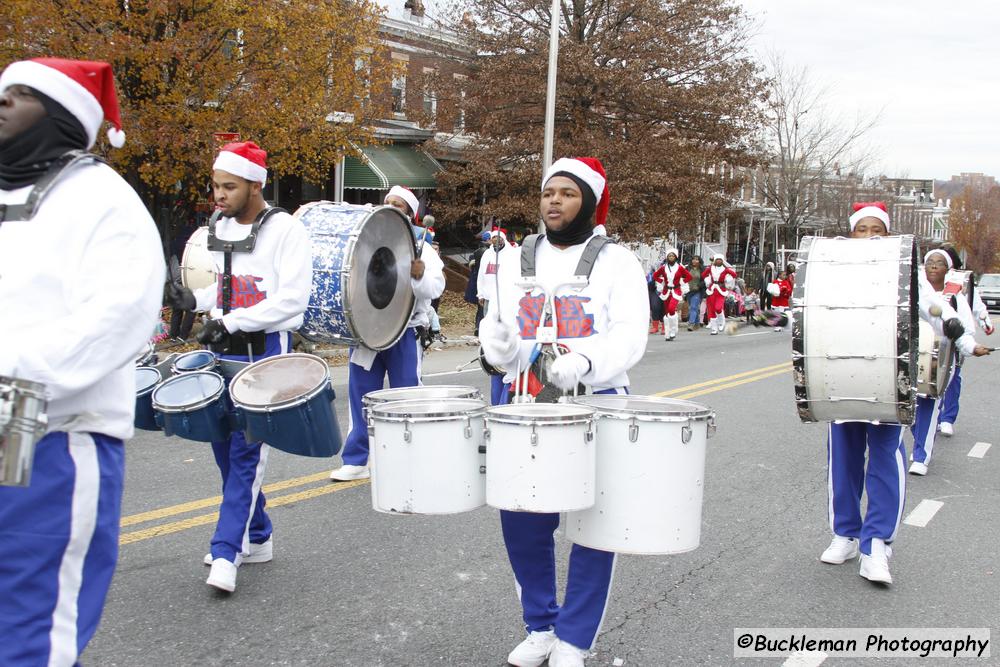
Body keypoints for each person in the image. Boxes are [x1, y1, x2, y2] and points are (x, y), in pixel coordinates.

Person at [0, 58, 164, 664]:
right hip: (6, 415)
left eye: (21, 94)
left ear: (65, 112)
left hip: (55, 432)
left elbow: (116, 320)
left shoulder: (104, 200)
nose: (2, 101)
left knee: (30, 625)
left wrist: (13, 368)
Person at [480, 157, 647, 667]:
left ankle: (574, 639)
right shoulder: (514, 258)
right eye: (548, 192)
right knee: (523, 519)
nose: (554, 200)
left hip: (596, 403)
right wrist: (498, 343)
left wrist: (586, 360)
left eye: (567, 193)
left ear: (590, 203)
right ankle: (541, 626)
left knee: (595, 526)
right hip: (527, 403)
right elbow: (503, 334)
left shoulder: (617, 261)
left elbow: (629, 335)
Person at [166, 141, 312, 592]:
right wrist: (196, 301)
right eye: (215, 186)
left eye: (229, 186)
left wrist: (229, 320)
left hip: (266, 352)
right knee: (223, 449)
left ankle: (227, 549)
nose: (219, 195)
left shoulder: (287, 230)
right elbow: (225, 290)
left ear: (255, 184)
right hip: (223, 349)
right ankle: (259, 534)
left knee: (248, 453)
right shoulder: (218, 227)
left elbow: (292, 302)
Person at [819, 202, 967, 585]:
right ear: (851, 233)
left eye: (877, 230)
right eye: (862, 229)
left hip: (887, 375)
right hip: (841, 373)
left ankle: (877, 545)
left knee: (885, 458)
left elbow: (929, 304)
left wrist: (950, 323)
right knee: (843, 458)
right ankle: (846, 534)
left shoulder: (902, 270)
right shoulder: (833, 268)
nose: (869, 236)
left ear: (888, 235)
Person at [328, 185, 445, 481]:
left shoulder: (421, 245)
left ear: (410, 214)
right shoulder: (364, 238)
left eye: (399, 205)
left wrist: (418, 276)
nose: (392, 207)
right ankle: (357, 458)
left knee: (407, 395)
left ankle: (411, 456)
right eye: (388, 202)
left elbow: (435, 288)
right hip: (366, 331)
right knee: (361, 394)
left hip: (404, 331)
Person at [908, 249, 989, 475]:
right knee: (909, 408)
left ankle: (921, 457)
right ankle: (923, 436)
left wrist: (971, 346)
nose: (934, 266)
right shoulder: (911, 289)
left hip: (941, 360)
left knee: (929, 403)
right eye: (930, 262)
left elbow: (965, 327)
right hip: (910, 355)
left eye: (939, 263)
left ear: (948, 269)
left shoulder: (955, 295)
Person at [935, 245, 995, 436]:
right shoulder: (927, 281)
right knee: (932, 380)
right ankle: (934, 417)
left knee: (953, 378)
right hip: (934, 340)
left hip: (958, 338)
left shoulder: (962, 282)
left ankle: (947, 418)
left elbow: (975, 304)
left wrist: (985, 322)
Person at [477, 227, 520, 404]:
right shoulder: (487, 255)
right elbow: (481, 275)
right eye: (492, 239)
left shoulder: (511, 256)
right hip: (492, 300)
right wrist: (481, 293)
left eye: (497, 238)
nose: (495, 241)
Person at [652, 248, 691, 341]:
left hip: (676, 291)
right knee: (667, 313)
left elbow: (689, 276)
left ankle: (673, 330)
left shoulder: (680, 267)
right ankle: (668, 333)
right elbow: (655, 276)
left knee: (671, 309)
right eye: (669, 256)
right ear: (667, 257)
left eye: (672, 256)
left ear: (676, 257)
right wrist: (661, 281)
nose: (671, 257)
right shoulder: (663, 267)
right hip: (666, 291)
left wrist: (682, 282)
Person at [701, 253, 738, 335]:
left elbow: (734, 275)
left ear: (722, 261)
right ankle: (714, 329)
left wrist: (728, 279)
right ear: (715, 261)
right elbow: (703, 275)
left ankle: (721, 321)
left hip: (721, 290)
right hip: (711, 290)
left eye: (720, 260)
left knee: (718, 308)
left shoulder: (725, 269)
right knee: (711, 309)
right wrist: (707, 279)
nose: (718, 261)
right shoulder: (710, 268)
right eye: (717, 260)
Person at [465, 230, 491, 334]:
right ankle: (480, 327)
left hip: (478, 281)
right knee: (483, 307)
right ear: (488, 239)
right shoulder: (487, 252)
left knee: (481, 307)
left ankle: (478, 326)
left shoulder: (477, 251)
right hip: (484, 282)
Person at [685, 256, 705, 331]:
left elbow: (705, 280)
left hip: (697, 291)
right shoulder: (687, 268)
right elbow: (683, 277)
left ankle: (691, 324)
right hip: (688, 291)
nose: (694, 261)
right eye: (693, 259)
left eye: (696, 259)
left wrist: (700, 285)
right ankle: (697, 322)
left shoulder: (702, 269)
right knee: (693, 307)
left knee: (693, 307)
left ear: (699, 261)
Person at [647, 264, 665, 334]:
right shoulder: (651, 273)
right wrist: (655, 278)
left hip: (666, 291)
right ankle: (655, 327)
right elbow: (649, 286)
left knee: (665, 309)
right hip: (655, 292)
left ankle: (665, 327)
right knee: (655, 307)